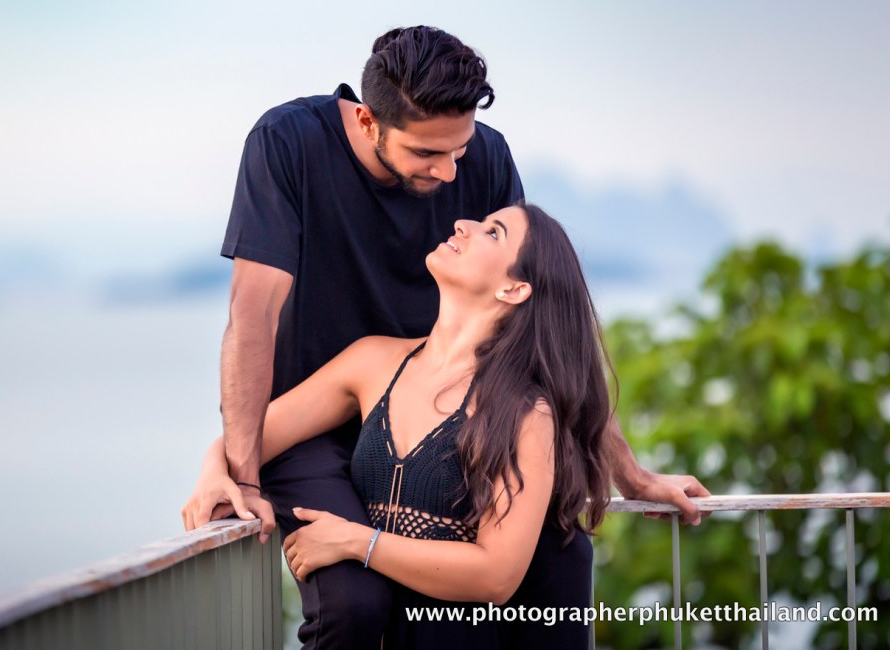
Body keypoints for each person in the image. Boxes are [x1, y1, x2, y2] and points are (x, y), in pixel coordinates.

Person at [208, 26, 707, 649]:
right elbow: (253, 316)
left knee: (560, 550)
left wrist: (629, 473)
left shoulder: (485, 158)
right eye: (427, 155)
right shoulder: (286, 145)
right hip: (313, 421)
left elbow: (546, 326)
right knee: (354, 604)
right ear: (368, 122)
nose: (449, 174)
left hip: (447, 413)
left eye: (459, 150)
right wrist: (237, 470)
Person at [186, 203, 609, 647]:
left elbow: (496, 576)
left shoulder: (525, 411)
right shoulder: (373, 362)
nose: (462, 224)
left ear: (514, 289)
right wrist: (214, 471)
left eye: (493, 233)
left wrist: (357, 543)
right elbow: (257, 435)